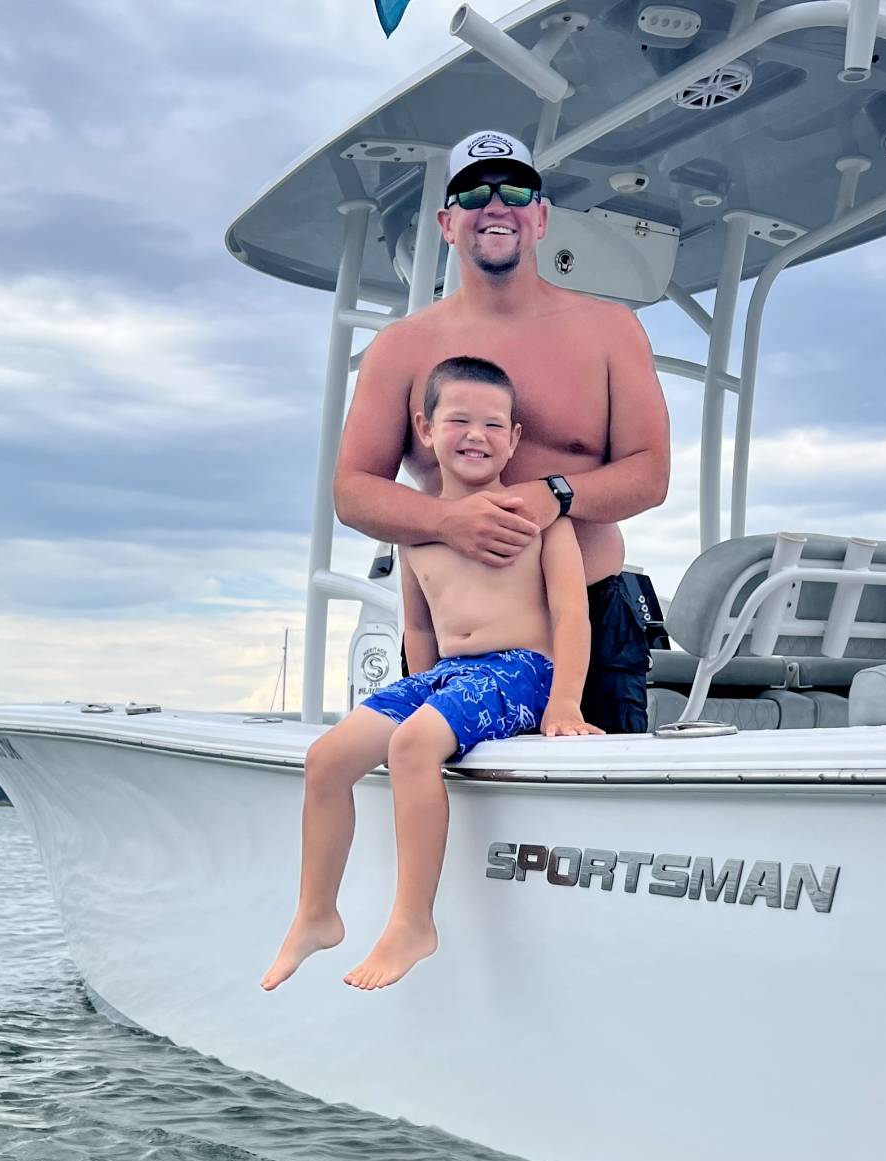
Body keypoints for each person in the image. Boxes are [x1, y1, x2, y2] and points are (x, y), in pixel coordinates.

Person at [261, 356, 601, 994]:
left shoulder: (540, 520)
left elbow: (572, 615)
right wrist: (423, 697)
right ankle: (316, 914)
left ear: (515, 439)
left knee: (411, 747)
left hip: (522, 669)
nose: (477, 435)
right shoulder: (415, 533)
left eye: (494, 425)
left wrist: (564, 705)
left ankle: (413, 922)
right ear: (425, 428)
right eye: (460, 420)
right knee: (327, 758)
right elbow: (418, 629)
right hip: (449, 674)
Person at [333, 128, 670, 733]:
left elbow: (650, 474)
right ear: (445, 221)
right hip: (455, 638)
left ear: (540, 218)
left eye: (516, 190)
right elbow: (352, 491)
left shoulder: (610, 330)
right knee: (462, 819)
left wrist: (555, 495)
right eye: (471, 193)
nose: (496, 205)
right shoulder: (399, 349)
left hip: (590, 614)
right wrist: (447, 521)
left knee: (608, 826)